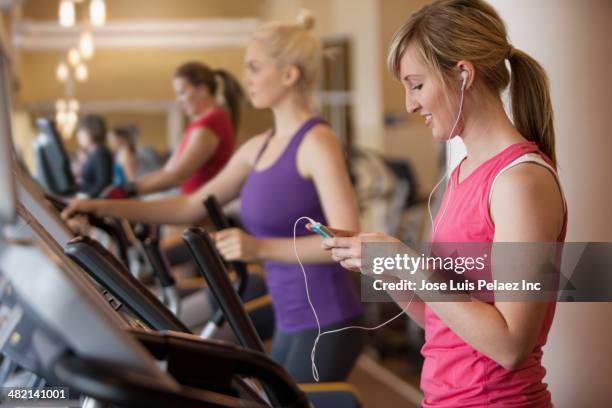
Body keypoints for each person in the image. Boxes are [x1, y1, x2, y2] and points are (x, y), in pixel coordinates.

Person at [63, 11, 364, 383]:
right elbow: (191, 205)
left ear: (290, 74)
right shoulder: (258, 147)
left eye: (254, 67)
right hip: (290, 313)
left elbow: (349, 242)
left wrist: (259, 248)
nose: (246, 78)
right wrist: (99, 206)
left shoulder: (317, 142)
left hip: (327, 315)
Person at [321, 1, 566, 406]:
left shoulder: (520, 182)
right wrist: (384, 269)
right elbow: (441, 321)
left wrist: (403, 261)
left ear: (463, 75)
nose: (409, 104)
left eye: (416, 85)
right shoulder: (463, 173)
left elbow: (510, 345)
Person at [128, 61, 244, 196]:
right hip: (191, 202)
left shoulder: (212, 121)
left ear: (202, 90)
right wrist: (130, 185)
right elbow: (168, 170)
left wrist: (129, 190)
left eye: (182, 92)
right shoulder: (197, 124)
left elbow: (178, 176)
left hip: (202, 209)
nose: (178, 100)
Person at [76, 114, 113, 198]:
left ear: (91, 132)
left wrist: (84, 196)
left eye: (81, 132)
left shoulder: (100, 153)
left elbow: (103, 183)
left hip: (94, 203)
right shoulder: (93, 153)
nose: (78, 136)